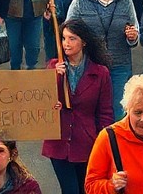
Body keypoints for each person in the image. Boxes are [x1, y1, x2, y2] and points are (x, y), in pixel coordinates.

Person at [43, 17, 113, 194]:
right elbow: (42, 102)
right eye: (64, 38)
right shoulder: (53, 66)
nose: (66, 43)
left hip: (86, 143)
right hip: (58, 142)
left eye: (72, 39)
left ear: (84, 42)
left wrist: (102, 142)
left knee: (86, 190)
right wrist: (55, 77)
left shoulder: (100, 72)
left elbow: (105, 112)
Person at [66, 0, 140, 119]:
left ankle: (114, 144)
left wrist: (132, 36)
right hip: (90, 64)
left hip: (119, 65)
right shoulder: (80, 1)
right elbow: (68, 30)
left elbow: (135, 36)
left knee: (117, 111)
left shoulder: (125, 1)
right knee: (90, 110)